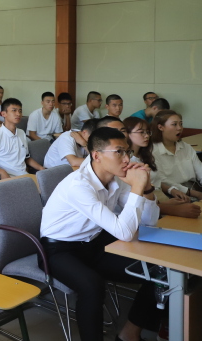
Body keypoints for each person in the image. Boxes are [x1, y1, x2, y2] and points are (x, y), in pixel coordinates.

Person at [40, 127, 161, 341]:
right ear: (96, 155)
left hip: (94, 242)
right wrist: (137, 186)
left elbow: (148, 222)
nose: (127, 158)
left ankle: (129, 334)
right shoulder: (79, 185)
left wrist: (147, 188)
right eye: (119, 152)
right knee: (92, 286)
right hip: (58, 249)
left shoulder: (115, 179)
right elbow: (124, 232)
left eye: (127, 151)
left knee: (158, 271)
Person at [123, 116, 201, 219]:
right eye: (141, 132)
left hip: (159, 198)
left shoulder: (145, 155)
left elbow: (156, 180)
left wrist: (172, 190)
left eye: (148, 132)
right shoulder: (128, 162)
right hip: (150, 206)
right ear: (127, 134)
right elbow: (136, 200)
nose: (146, 135)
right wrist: (168, 205)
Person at [0, 98, 43, 178]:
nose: (18, 114)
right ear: (3, 114)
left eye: (20, 111)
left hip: (25, 175)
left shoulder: (21, 133)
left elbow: (26, 158)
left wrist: (41, 168)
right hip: (9, 177)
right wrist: (1, 172)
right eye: (14, 110)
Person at [151, 110, 202, 202]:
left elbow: (200, 171)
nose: (179, 128)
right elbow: (161, 180)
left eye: (181, 124)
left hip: (195, 188)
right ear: (160, 127)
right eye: (174, 124)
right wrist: (194, 193)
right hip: (172, 194)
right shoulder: (153, 151)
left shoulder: (186, 147)